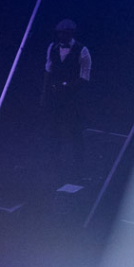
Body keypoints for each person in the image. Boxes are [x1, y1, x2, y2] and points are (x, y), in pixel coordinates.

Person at [41, 18, 92, 180]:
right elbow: (48, 71)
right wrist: (44, 94)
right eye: (59, 33)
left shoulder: (82, 51)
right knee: (53, 129)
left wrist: (66, 86)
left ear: (71, 33)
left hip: (72, 98)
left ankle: (79, 165)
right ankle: (54, 163)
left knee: (75, 131)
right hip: (55, 97)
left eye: (64, 33)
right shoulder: (52, 48)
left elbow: (84, 77)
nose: (61, 36)